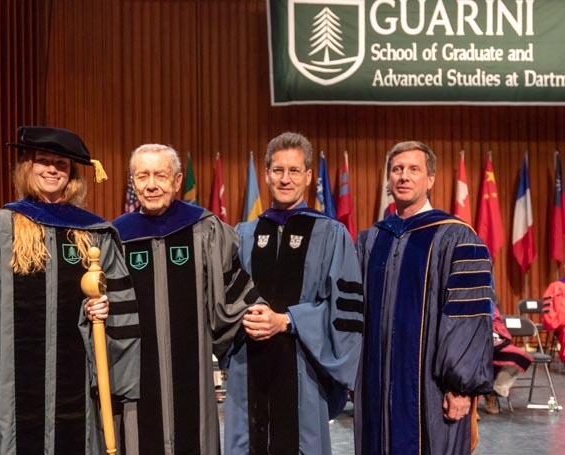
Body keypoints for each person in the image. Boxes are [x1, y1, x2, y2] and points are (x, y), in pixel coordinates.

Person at [0, 126, 141, 455]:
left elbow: (118, 303)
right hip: (11, 394)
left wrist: (104, 309)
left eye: (62, 163)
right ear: (27, 166)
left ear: (72, 173)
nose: (53, 169)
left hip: (78, 392)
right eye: (44, 161)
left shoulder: (95, 232)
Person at [112, 143, 262, 454]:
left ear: (178, 181)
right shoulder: (117, 237)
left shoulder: (204, 229)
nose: (151, 185)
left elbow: (232, 294)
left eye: (160, 175)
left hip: (192, 376)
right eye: (142, 176)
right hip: (137, 378)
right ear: (133, 182)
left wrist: (263, 317)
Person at [222, 132, 364, 454]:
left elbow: (345, 311)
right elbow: (224, 299)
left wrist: (288, 320)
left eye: (294, 171)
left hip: (304, 371)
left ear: (309, 176)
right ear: (267, 173)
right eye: (278, 170)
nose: (285, 179)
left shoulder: (331, 234)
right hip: (249, 371)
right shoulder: (244, 234)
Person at [355, 141, 494, 455]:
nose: (404, 176)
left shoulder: (457, 237)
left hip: (432, 391)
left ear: (430, 179)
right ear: (388, 179)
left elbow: (468, 320)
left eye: (413, 169)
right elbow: (355, 314)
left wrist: (461, 387)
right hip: (376, 387)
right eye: (397, 169)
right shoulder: (371, 239)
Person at [483, 304, 533, 414]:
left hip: (495, 342)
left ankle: (494, 391)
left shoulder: (489, 302)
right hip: (475, 343)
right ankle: (472, 405)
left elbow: (497, 321)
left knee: (520, 356)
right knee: (474, 360)